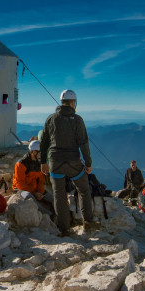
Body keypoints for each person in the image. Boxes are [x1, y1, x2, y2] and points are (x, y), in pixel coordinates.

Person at [40, 89, 97, 236]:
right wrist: (88, 163)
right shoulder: (77, 120)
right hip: (73, 163)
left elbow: (44, 141)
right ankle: (88, 222)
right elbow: (83, 143)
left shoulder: (51, 119)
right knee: (84, 190)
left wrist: (43, 162)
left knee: (59, 194)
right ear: (73, 102)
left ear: (61, 102)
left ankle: (64, 229)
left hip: (55, 162)